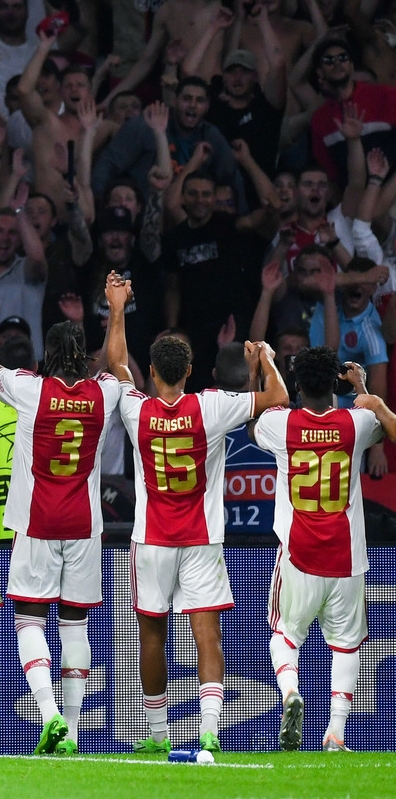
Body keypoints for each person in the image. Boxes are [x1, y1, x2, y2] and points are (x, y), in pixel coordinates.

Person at [104, 273, 286, 756]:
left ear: (153, 372)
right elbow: (277, 400)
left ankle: (157, 737)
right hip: (203, 539)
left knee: (151, 636)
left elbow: (116, 363)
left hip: (152, 540)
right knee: (208, 637)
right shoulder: (210, 407)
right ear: (189, 371)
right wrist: (261, 360)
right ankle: (208, 732)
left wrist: (117, 307)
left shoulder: (134, 408)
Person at [0, 286, 128, 755]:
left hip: (37, 522)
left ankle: (49, 716)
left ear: (47, 354)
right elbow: (117, 365)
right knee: (75, 628)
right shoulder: (105, 393)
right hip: (86, 526)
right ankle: (68, 728)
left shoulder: (30, 390)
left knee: (29, 620)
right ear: (84, 359)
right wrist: (115, 310)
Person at [253, 347, 396, 753]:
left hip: (299, 553)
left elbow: (253, 423)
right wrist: (364, 388)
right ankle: (336, 732)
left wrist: (260, 370)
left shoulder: (282, 425)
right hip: (346, 555)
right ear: (335, 383)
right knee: (347, 643)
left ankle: (290, 693)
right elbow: (383, 425)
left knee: (284, 635)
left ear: (298, 385)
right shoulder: (358, 422)